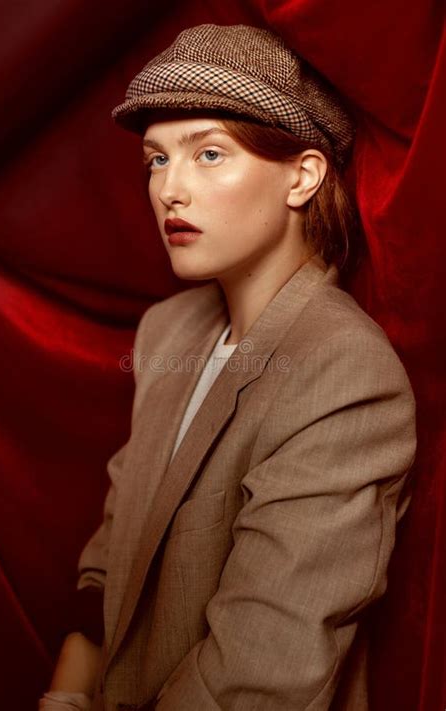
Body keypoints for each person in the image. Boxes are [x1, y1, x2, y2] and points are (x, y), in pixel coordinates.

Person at [39, 23, 417, 711]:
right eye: (157, 160)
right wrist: (64, 699)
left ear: (302, 175)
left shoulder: (346, 373)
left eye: (208, 153)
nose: (170, 191)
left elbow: (261, 674)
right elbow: (111, 559)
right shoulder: (168, 331)